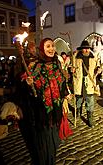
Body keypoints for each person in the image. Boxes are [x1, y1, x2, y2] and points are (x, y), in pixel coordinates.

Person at [16, 37, 72, 165]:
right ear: (42, 49)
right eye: (48, 46)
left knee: (55, 141)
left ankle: (51, 159)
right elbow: (26, 87)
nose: (51, 48)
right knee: (45, 143)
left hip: (56, 110)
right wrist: (29, 83)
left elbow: (61, 82)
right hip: (42, 112)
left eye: (52, 46)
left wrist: (66, 92)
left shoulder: (57, 64)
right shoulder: (36, 66)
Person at [73, 40, 102, 127]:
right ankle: (78, 112)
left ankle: (90, 119)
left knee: (90, 101)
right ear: (81, 49)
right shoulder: (75, 57)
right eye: (84, 48)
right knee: (79, 100)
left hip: (89, 83)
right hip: (79, 83)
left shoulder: (93, 57)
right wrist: (71, 70)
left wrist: (98, 70)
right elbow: (71, 68)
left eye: (88, 48)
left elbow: (97, 67)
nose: (86, 50)